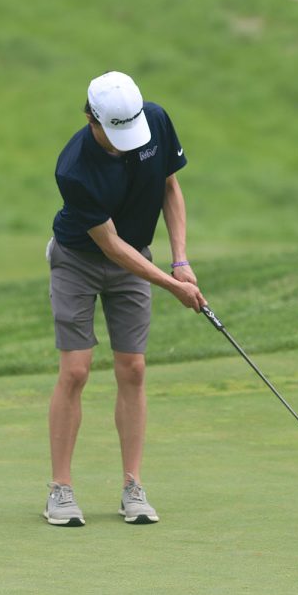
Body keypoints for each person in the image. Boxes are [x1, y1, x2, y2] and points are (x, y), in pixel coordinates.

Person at [44, 71, 206, 527]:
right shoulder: (73, 167)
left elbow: (170, 187)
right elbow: (111, 246)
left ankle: (132, 486)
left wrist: (180, 260)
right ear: (92, 118)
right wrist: (172, 287)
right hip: (79, 259)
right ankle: (60, 489)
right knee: (75, 371)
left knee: (133, 368)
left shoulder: (154, 120)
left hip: (140, 257)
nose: (126, 143)